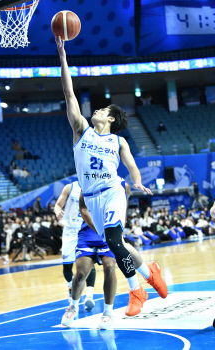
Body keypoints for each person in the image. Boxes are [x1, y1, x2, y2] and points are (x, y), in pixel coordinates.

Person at [55, 36, 168, 316]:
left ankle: (137, 290)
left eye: (102, 110)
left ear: (111, 119)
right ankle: (148, 269)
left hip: (113, 192)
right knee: (119, 246)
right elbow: (69, 95)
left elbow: (130, 166)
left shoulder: (118, 142)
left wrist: (138, 180)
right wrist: (62, 56)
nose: (95, 110)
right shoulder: (81, 130)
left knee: (116, 242)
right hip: (91, 198)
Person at [54, 181, 96, 308]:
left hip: (85, 229)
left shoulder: (94, 186)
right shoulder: (70, 187)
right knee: (67, 266)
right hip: (69, 231)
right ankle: (72, 287)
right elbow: (58, 204)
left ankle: (89, 296)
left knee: (89, 263)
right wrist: (57, 210)